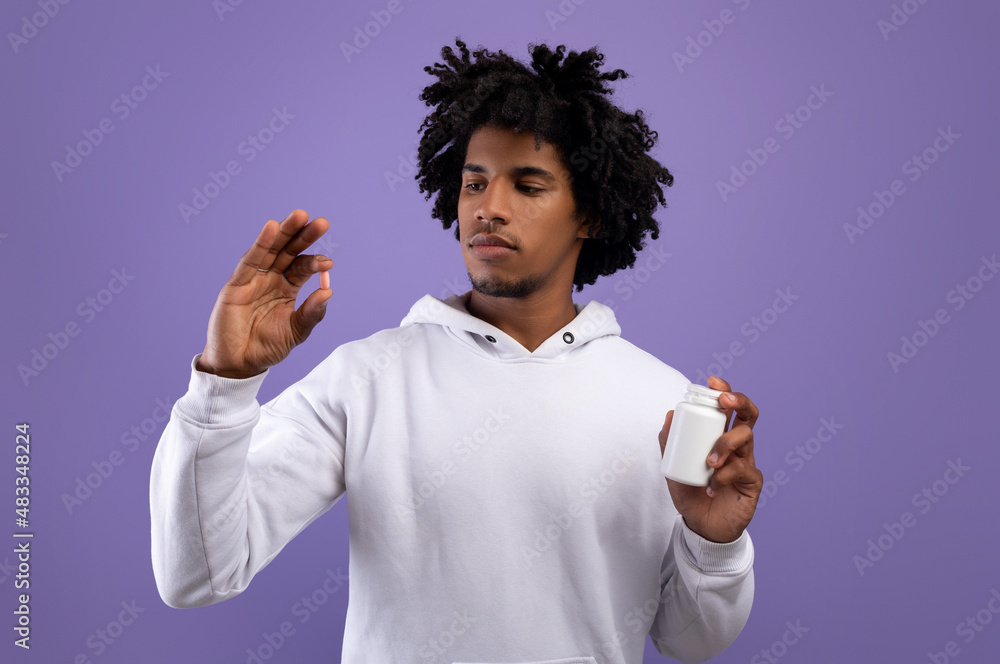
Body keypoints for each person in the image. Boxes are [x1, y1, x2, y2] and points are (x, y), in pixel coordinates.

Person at [149, 38, 763, 664]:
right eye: (475, 183)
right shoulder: (368, 379)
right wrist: (223, 383)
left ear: (591, 216)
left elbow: (692, 643)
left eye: (527, 186)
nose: (489, 209)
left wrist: (711, 545)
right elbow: (195, 576)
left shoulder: (662, 404)